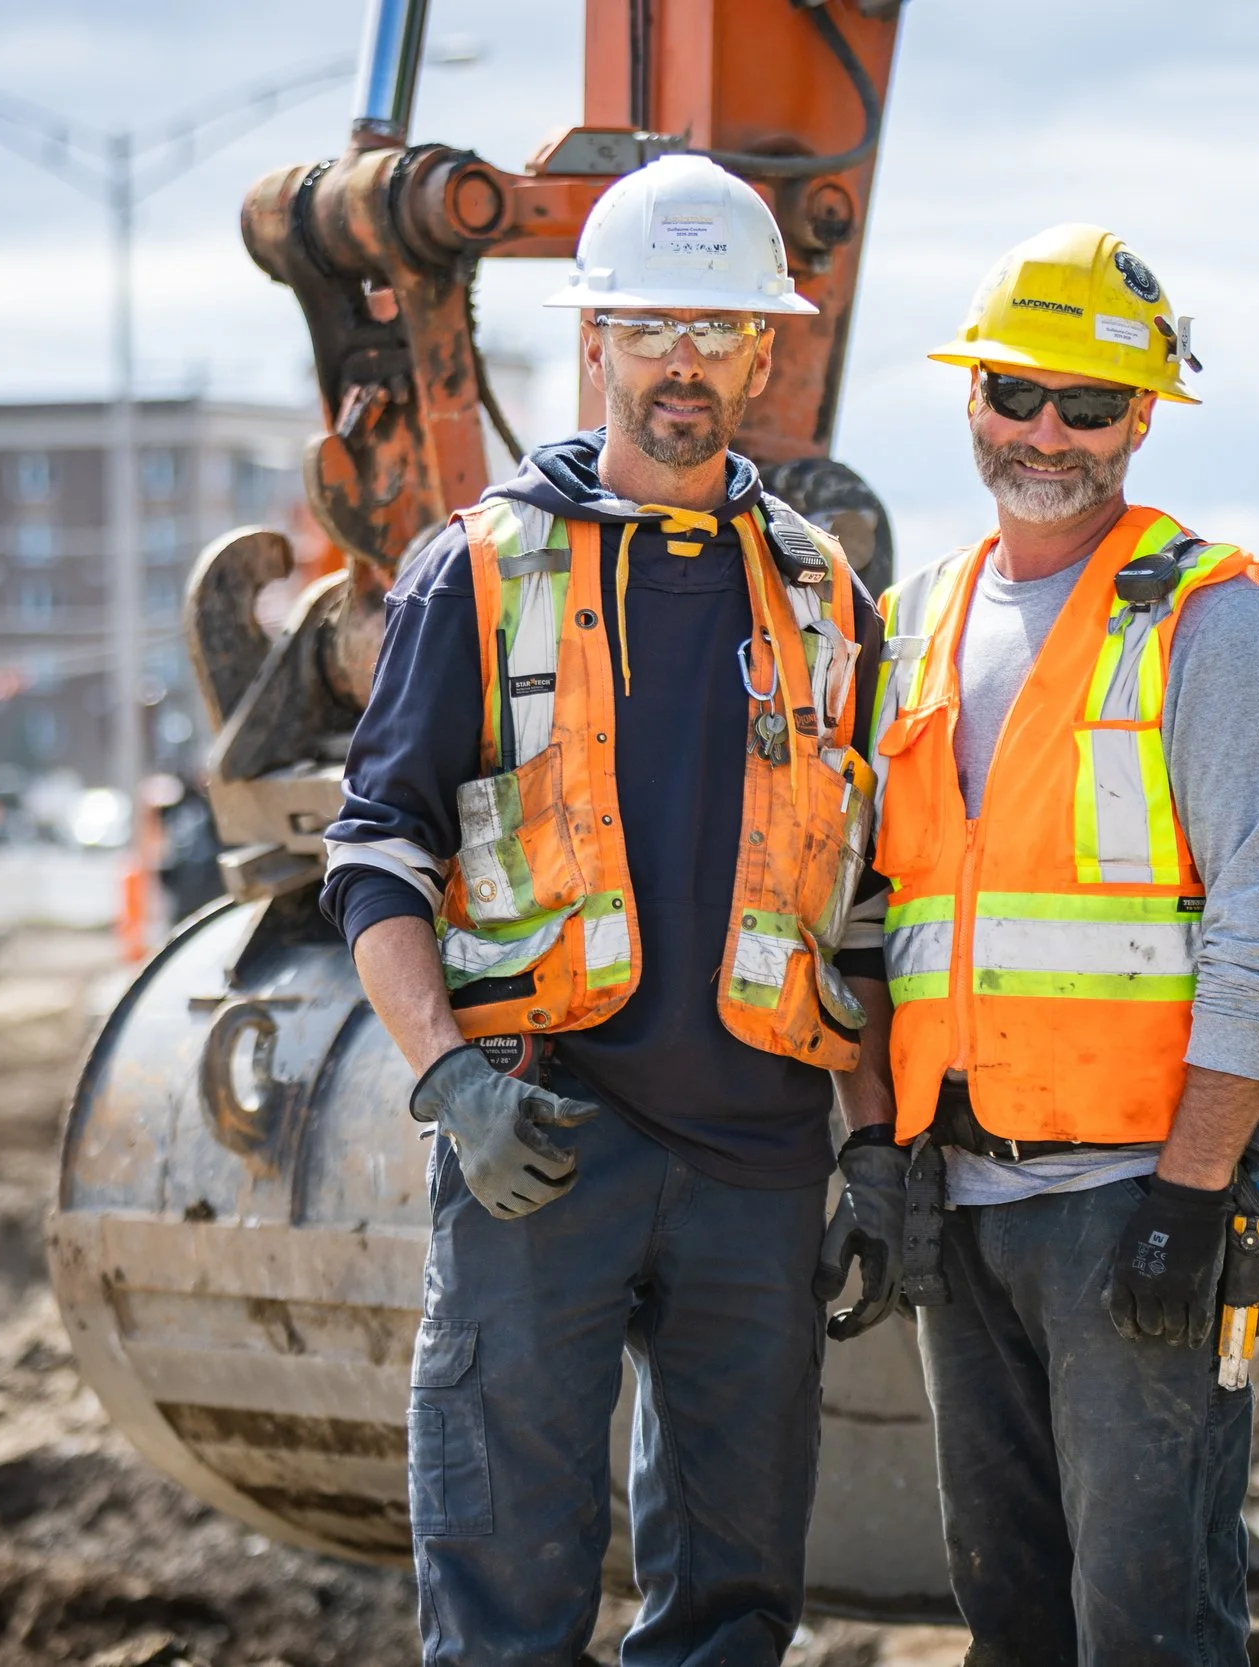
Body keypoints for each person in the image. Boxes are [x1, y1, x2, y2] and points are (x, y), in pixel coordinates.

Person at [318, 154, 906, 1666]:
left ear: (766, 350)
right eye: (652, 328)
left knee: (730, 1608)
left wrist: (880, 1147)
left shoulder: (827, 598)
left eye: (717, 331)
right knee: (506, 1599)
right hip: (543, 1143)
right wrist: (450, 1080)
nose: (685, 364)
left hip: (756, 1164)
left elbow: (859, 900)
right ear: (595, 341)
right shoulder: (483, 571)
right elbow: (374, 851)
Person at [869, 224, 1259, 1664]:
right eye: (1017, 394)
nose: (1045, 432)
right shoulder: (921, 618)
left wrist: (1188, 1198)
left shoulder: (1209, 618)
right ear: (971, 402)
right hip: (965, 1199)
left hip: (1133, 1195)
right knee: (1007, 1612)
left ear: (1142, 417)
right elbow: (887, 914)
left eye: (1085, 403)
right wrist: (881, 1157)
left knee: (1148, 1625)